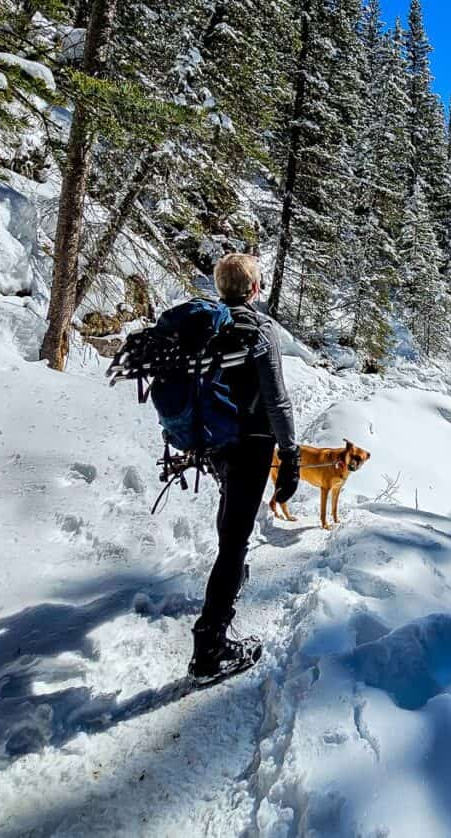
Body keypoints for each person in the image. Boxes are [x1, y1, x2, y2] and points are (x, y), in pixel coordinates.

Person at [189, 253, 300, 682]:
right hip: (251, 443)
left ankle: (229, 580)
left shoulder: (208, 323)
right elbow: (276, 397)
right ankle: (210, 647)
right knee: (235, 538)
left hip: (214, 441)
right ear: (254, 289)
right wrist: (290, 455)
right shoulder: (258, 329)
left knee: (231, 516)